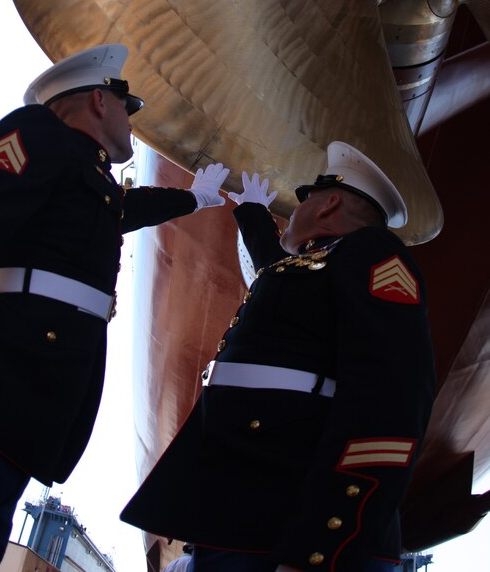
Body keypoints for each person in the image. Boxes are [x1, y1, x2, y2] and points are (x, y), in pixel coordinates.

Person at [0, 43, 229, 571]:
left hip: (29, 414)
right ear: (100, 101)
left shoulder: (89, 177)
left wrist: (195, 199)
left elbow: (123, 207)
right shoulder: (38, 135)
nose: (130, 119)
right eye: (128, 106)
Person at [121, 142, 436, 572]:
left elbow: (391, 400)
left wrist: (322, 548)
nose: (293, 208)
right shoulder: (315, 267)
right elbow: (276, 276)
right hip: (238, 520)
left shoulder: (372, 255)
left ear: (329, 206)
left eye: (302, 199)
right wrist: (250, 214)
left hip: (284, 529)